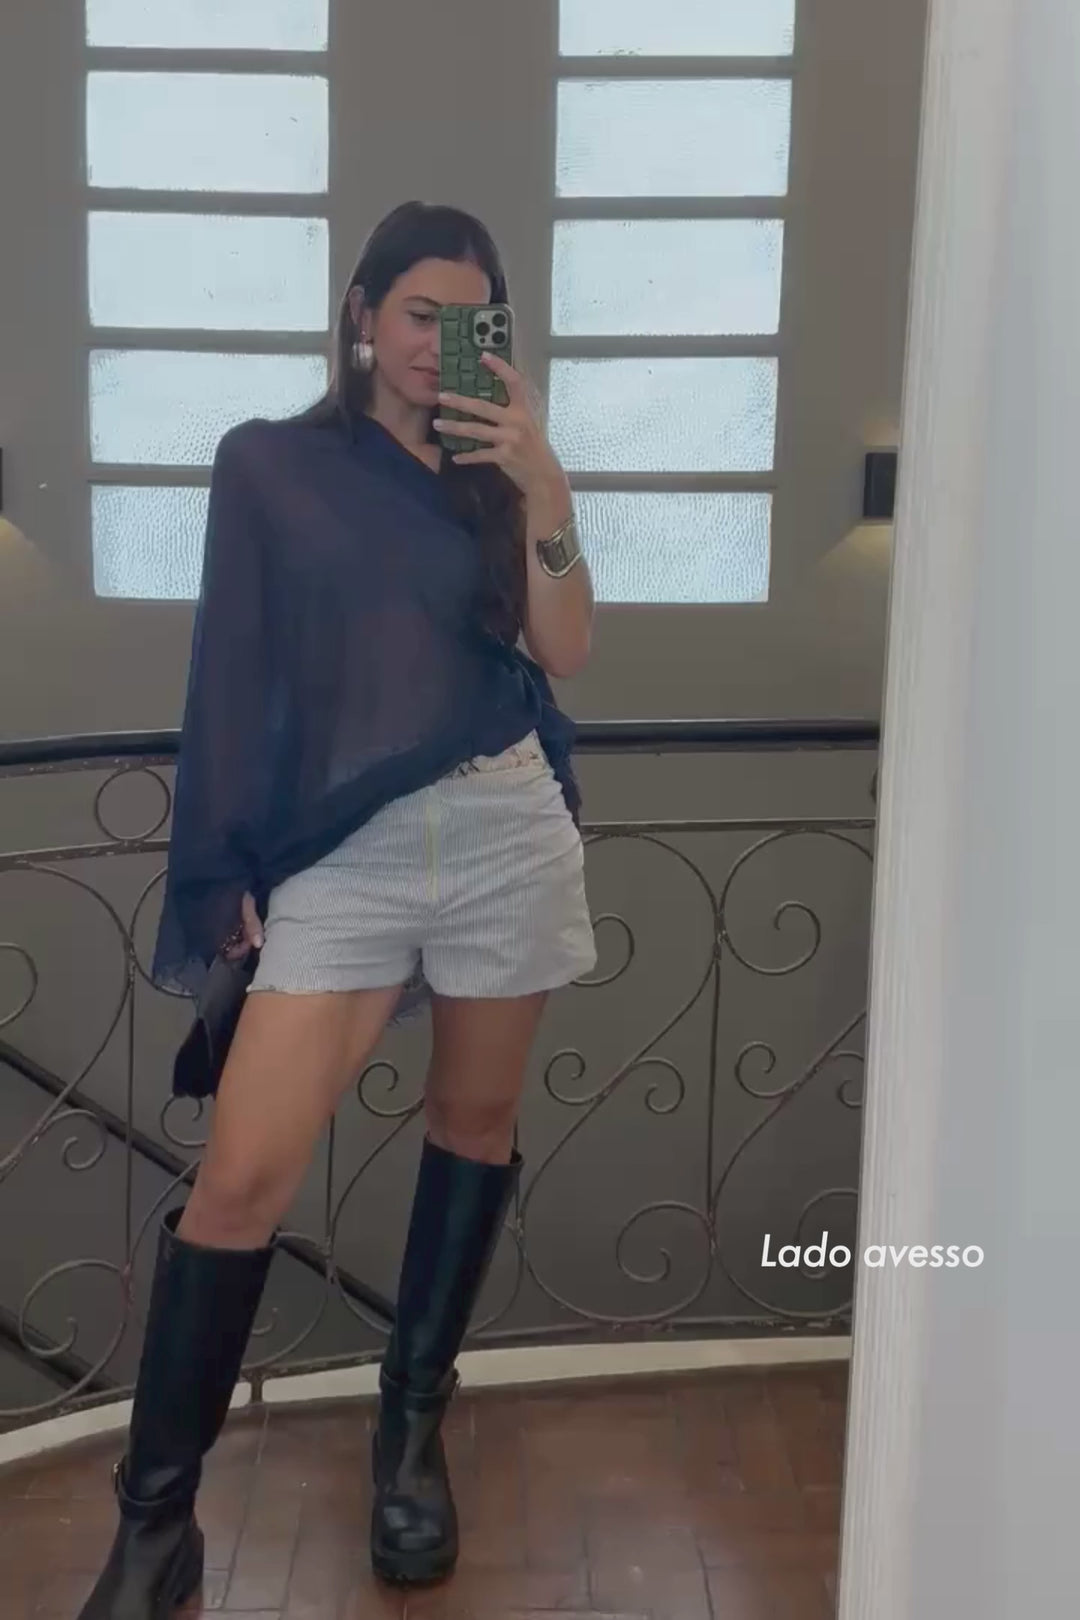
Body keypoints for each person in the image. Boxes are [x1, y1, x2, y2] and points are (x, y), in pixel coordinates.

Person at [78, 200, 597, 1619]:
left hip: (504, 827)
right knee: (240, 1180)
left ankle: (409, 1432)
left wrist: (545, 482)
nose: (440, 344)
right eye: (419, 313)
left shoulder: (498, 477)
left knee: (472, 1126)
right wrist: (221, 863)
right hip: (343, 857)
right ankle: (155, 1527)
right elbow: (232, 674)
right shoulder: (271, 466)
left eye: (471, 321)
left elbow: (567, 648)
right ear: (361, 314)